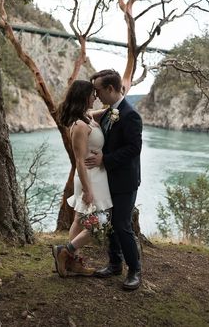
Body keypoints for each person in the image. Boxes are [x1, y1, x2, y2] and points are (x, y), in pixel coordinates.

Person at [85, 69, 143, 290]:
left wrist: (104, 159)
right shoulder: (110, 112)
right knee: (110, 224)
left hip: (125, 181)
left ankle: (135, 270)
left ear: (110, 89)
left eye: (98, 90)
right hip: (108, 178)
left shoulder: (130, 115)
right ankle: (115, 263)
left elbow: (133, 149)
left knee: (122, 224)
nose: (96, 94)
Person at [52, 80, 113, 277]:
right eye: (92, 94)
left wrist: (117, 101)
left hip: (95, 177)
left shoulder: (87, 117)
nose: (95, 97)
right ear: (83, 96)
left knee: (79, 221)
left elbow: (103, 111)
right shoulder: (79, 125)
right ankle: (65, 251)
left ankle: (73, 263)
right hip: (89, 179)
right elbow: (79, 160)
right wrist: (88, 190)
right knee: (100, 223)